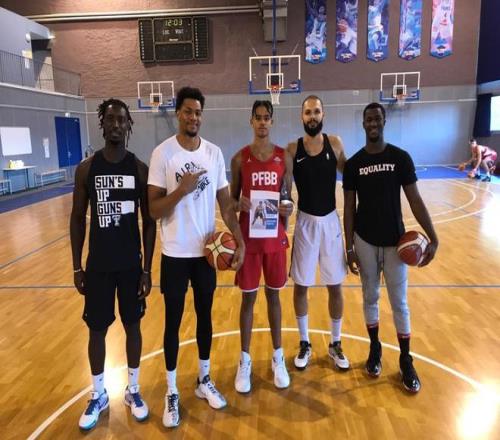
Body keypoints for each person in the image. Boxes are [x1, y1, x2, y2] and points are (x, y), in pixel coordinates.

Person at [148, 86, 245, 428]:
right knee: (173, 323)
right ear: (178, 113)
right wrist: (181, 190)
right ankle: (172, 390)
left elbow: (226, 205)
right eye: (188, 111)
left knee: (205, 318)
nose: (194, 117)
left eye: (198, 112)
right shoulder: (163, 154)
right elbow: (153, 209)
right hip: (175, 253)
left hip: (207, 253)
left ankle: (204, 380)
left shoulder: (214, 153)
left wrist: (240, 241)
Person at [70, 98, 156, 430]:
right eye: (110, 119)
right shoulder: (87, 169)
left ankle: (133, 390)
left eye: (121, 119)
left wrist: (147, 269)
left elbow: (149, 223)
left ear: (128, 125)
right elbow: (77, 219)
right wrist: (77, 267)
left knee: (133, 327)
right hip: (99, 267)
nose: (116, 124)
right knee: (97, 330)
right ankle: (98, 394)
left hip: (131, 266)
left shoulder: (139, 168)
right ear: (102, 124)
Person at [343, 102, 438, 393]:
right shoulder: (354, 164)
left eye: (377, 119)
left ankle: (406, 359)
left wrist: (433, 237)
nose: (373, 123)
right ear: (363, 124)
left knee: (400, 303)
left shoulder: (400, 158)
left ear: (384, 122)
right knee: (370, 297)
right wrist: (349, 247)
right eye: (368, 119)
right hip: (365, 240)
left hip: (396, 243)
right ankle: (375, 349)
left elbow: (415, 199)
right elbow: (348, 208)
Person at [230, 100, 294, 393]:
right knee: (248, 300)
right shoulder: (239, 159)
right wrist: (238, 204)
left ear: (272, 121)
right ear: (251, 121)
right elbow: (230, 202)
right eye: (258, 118)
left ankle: (278, 357)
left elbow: (287, 197)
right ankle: (244, 360)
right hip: (249, 241)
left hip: (273, 238)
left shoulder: (284, 157)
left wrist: (288, 208)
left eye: (267, 117)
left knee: (274, 297)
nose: (262, 122)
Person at [287, 95, 350, 372]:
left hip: (331, 223)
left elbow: (351, 176)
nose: (312, 116)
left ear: (323, 114)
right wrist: (283, 204)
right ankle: (304, 342)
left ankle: (335, 343)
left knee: (335, 285)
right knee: (301, 285)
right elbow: (284, 188)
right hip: (305, 223)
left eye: (316, 111)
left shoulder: (334, 144)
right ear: (301, 117)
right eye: (308, 112)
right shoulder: (293, 149)